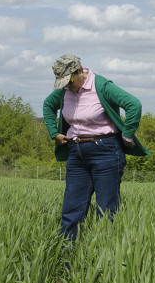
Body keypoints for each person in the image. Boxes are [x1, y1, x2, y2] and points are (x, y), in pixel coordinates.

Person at [43, 55, 149, 242]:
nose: (66, 86)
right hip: (76, 152)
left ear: (79, 71)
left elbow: (133, 104)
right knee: (71, 210)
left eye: (68, 81)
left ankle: (103, 258)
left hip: (106, 151)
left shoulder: (101, 86)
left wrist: (127, 135)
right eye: (62, 83)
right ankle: (66, 258)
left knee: (106, 210)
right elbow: (48, 106)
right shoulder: (65, 91)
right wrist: (54, 132)